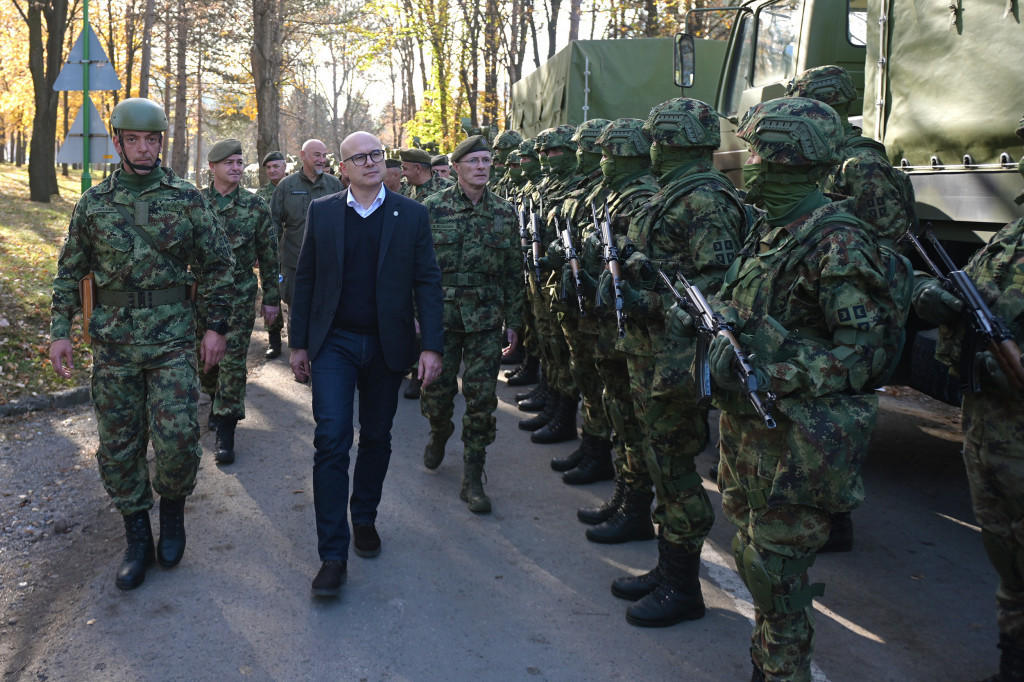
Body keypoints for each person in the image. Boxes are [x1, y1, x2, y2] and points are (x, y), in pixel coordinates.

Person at [706, 97, 898, 680]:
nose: (749, 163)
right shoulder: (772, 228)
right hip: (753, 431)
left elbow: (867, 353)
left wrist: (777, 368)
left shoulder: (837, 240)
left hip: (800, 445)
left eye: (760, 152)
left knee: (778, 571)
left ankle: (782, 669)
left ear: (793, 159)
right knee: (752, 553)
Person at [48, 97, 235, 591]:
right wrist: (60, 332)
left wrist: (215, 327)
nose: (145, 149)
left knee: (176, 442)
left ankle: (171, 516)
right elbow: (70, 272)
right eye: (134, 139)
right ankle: (136, 536)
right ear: (117, 142)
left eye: (152, 140)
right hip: (113, 346)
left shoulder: (187, 198)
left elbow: (219, 267)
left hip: (173, 340)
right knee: (119, 445)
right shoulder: (93, 203)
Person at [607, 98, 745, 627]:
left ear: (679, 143)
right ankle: (670, 569)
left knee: (676, 466)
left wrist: (643, 299)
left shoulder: (706, 201)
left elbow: (715, 291)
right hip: (654, 355)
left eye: (659, 140)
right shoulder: (675, 194)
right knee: (662, 461)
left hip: (678, 360)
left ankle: (684, 586)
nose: (652, 150)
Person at [289, 131, 443, 598]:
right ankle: (332, 555)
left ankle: (364, 517)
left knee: (376, 436)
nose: (372, 161)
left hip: (387, 346)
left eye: (378, 154)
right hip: (333, 343)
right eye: (361, 157)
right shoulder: (324, 212)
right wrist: (298, 344)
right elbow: (306, 278)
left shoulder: (412, 215)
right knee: (332, 438)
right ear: (344, 168)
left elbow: (428, 282)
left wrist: (431, 346)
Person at [787, 64, 917, 552]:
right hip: (829, 292)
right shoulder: (828, 159)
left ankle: (835, 519)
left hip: (852, 298)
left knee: (836, 410)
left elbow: (888, 237)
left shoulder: (857, 164)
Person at [912, 115, 1024, 682]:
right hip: (991, 433)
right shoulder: (1015, 233)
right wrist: (935, 299)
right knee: (1008, 558)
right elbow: (974, 290)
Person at [420, 135, 523, 514]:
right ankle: (438, 429)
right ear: (457, 167)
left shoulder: (504, 212)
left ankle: (473, 475)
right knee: (437, 392)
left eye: (486, 160)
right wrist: (415, 315)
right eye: (474, 161)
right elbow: (416, 269)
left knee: (481, 399)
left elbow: (514, 271)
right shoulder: (431, 209)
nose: (482, 166)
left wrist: (515, 320)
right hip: (441, 318)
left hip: (485, 319)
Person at [200, 139, 281, 464]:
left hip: (240, 295)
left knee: (232, 364)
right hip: (200, 299)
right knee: (205, 362)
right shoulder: (196, 204)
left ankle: (226, 427)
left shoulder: (255, 206)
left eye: (239, 162)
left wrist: (272, 299)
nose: (236, 168)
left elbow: (269, 256)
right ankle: (215, 397)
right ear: (212, 168)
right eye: (229, 163)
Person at [266, 139, 342, 360]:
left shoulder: (334, 185)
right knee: (297, 311)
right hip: (294, 263)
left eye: (324, 155)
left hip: (327, 264)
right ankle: (298, 357)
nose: (321, 159)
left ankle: (325, 357)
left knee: (328, 309)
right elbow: (274, 224)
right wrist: (270, 257)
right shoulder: (286, 186)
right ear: (303, 155)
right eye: (316, 154)